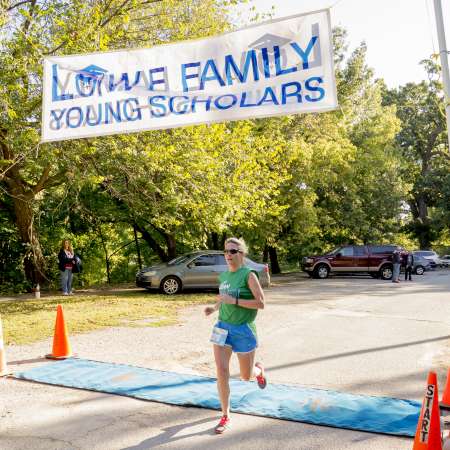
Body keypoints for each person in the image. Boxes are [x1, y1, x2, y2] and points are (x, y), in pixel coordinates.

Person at [204, 237, 267, 434]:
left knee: (245, 376)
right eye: (226, 251)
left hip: (243, 329)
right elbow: (224, 298)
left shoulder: (249, 275)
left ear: (242, 254)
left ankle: (258, 372)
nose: (228, 255)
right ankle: (225, 415)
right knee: (221, 371)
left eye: (232, 251)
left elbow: (261, 303)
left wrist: (235, 300)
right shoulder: (223, 277)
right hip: (222, 327)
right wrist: (213, 308)